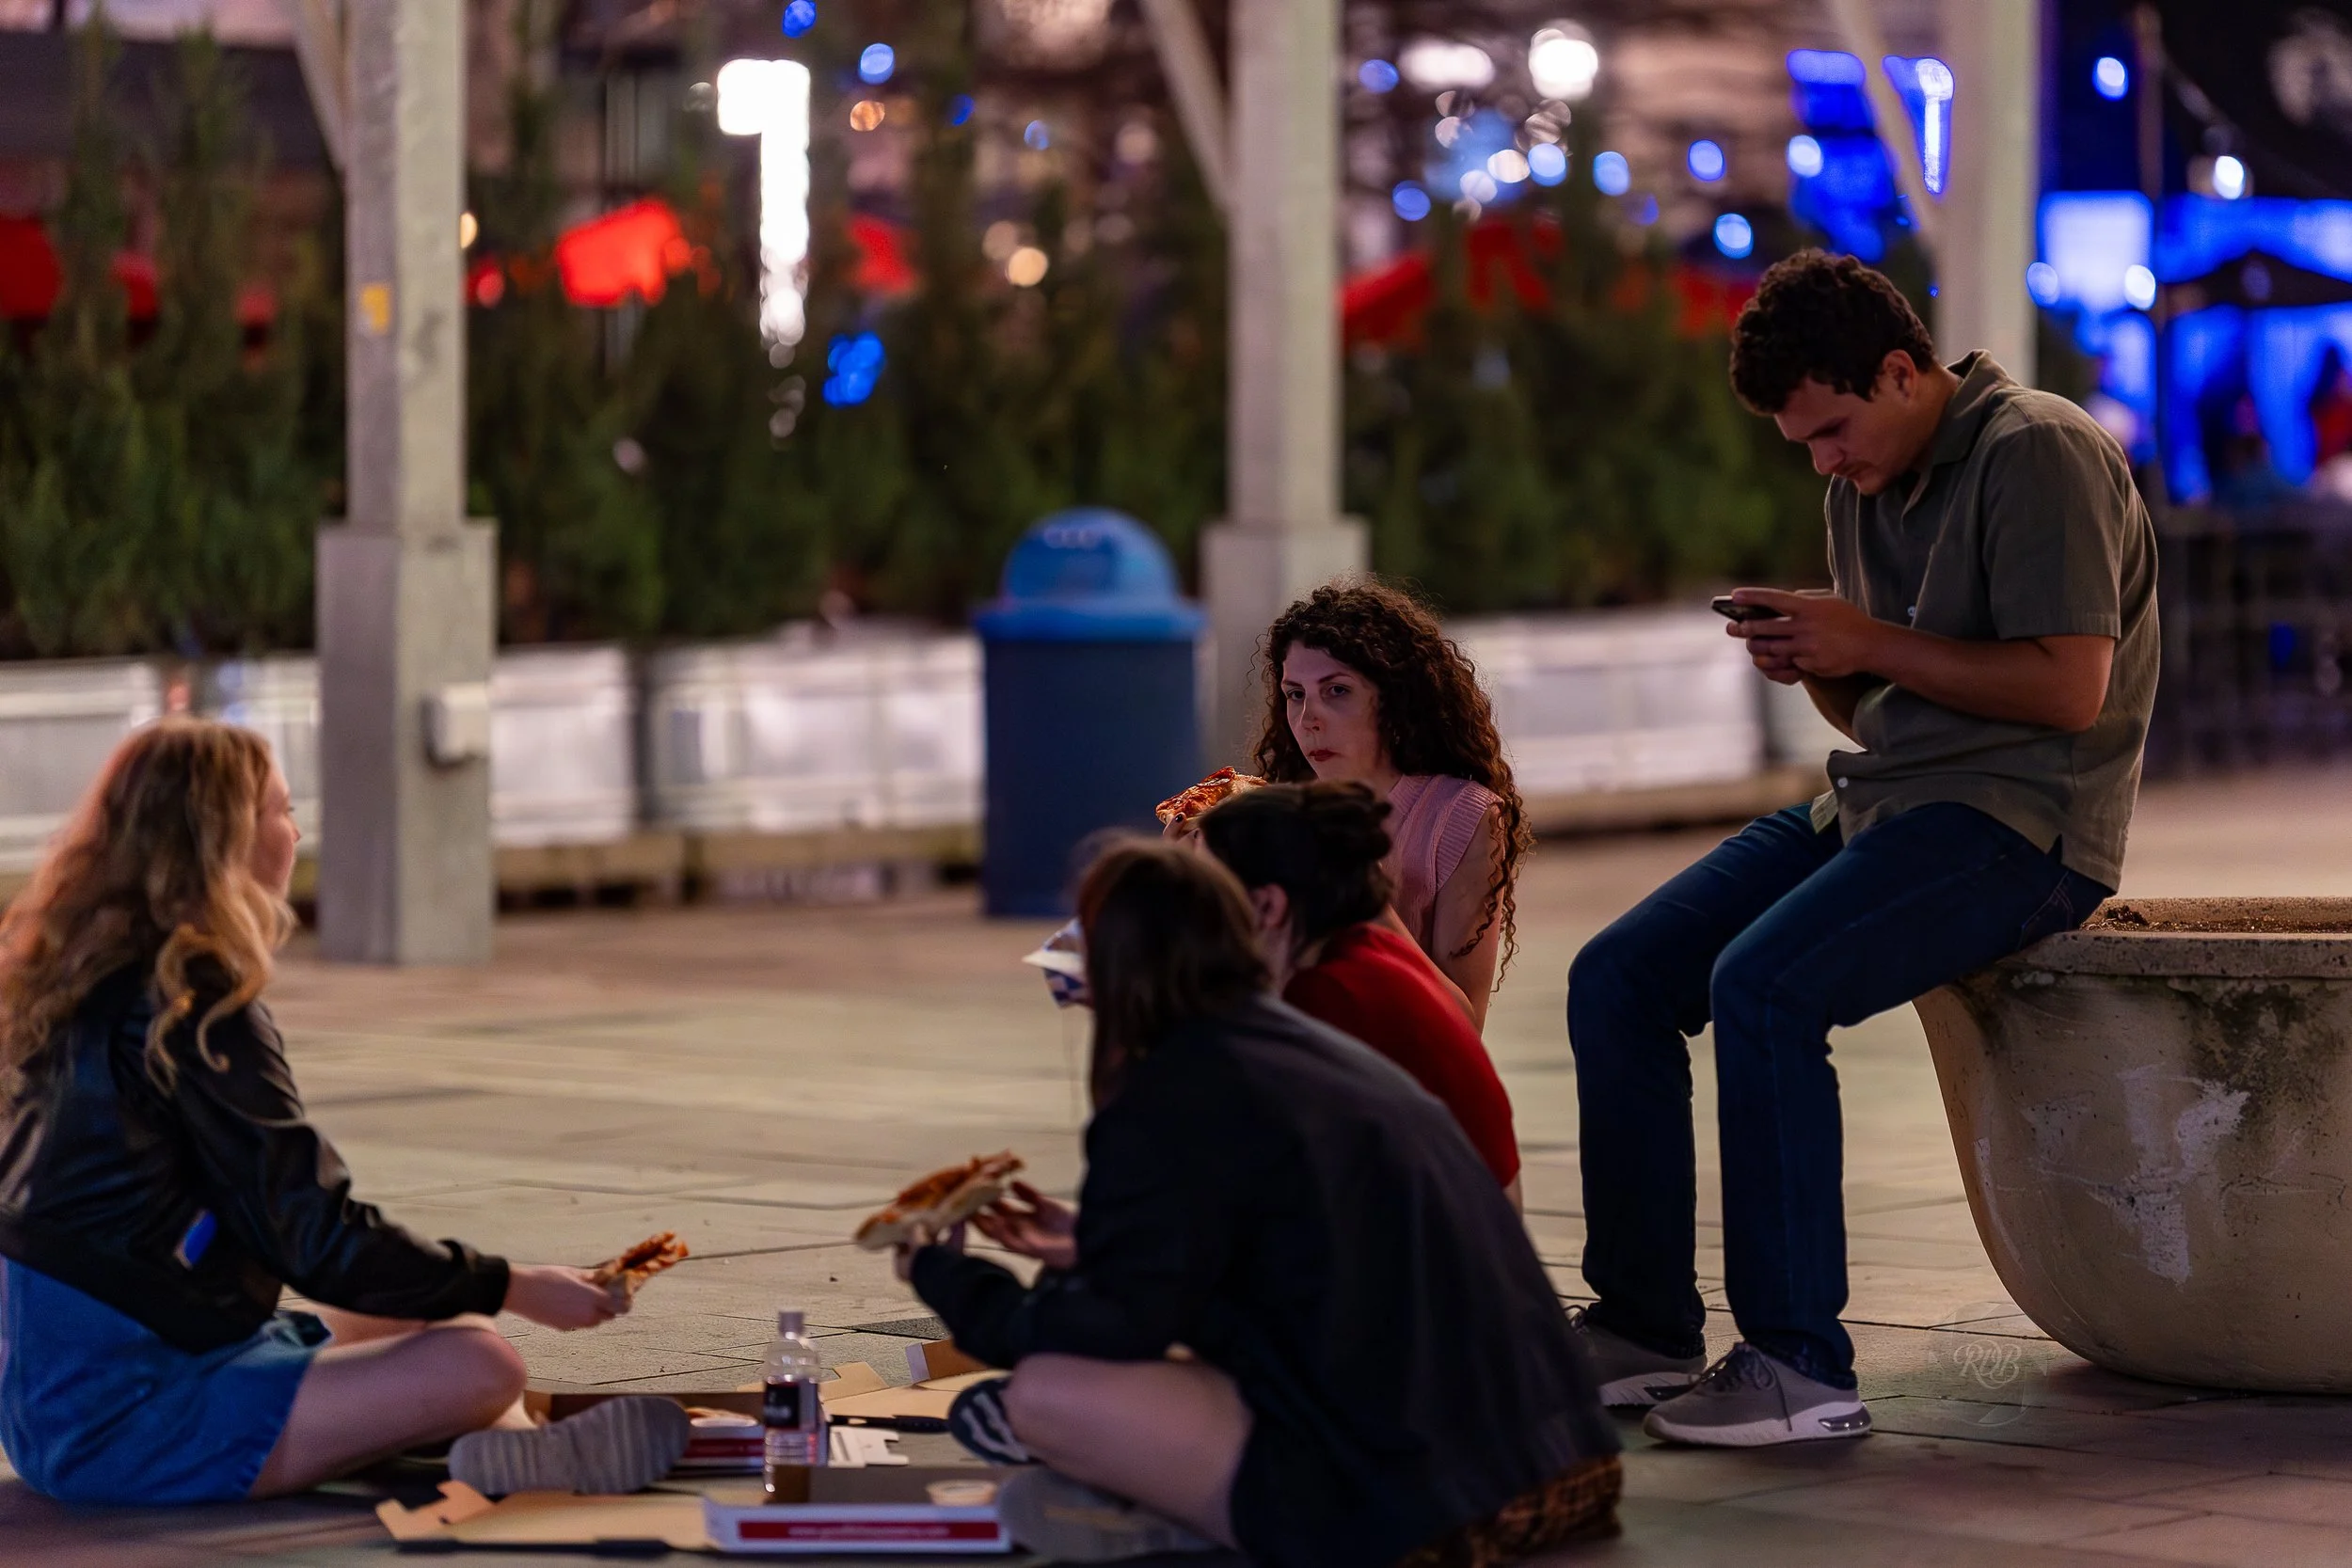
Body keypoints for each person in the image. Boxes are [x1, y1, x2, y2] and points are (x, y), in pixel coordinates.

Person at [1565, 251, 2156, 1447]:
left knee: (1765, 985)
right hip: (1882, 803)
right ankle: (1640, 1326)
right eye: (1803, 443)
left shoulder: (2036, 448)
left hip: (2023, 823)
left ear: (1902, 370)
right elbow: (1881, 711)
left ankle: (1799, 1366)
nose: (1823, 460)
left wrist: (1865, 638)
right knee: (1617, 974)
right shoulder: (1864, 481)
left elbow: (2066, 689)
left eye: (1831, 429)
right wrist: (1824, 663)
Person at [0, 720, 686, 1505]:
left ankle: (513, 1451)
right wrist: (515, 1284)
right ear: (226, 837)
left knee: (416, 1317)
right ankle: (505, 1441)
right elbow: (314, 1232)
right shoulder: (193, 1000)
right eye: (282, 810)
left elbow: (280, 1232)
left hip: (70, 1397)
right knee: (481, 1360)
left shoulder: (84, 980)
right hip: (128, 1421)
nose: (295, 832)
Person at [901, 841, 1616, 1566]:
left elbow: (1113, 1327)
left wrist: (956, 1284)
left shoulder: (1171, 1091)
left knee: (1045, 1394)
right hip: (1568, 1468)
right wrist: (1100, 1244)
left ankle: (1195, 1523)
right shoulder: (1318, 1045)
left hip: (1427, 1518)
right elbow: (1278, 1258)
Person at [1194, 780, 1522, 1201]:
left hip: (1437, 1252)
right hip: (1468, 1239)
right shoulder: (1369, 953)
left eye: (1207, 891)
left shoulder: (1326, 1000)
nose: (1194, 911)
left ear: (1269, 906)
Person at [1251, 580, 1531, 1031]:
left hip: (1400, 1079)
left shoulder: (1462, 815)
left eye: (1337, 691)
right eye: (1295, 694)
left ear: (1393, 699)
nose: (1308, 720)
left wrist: (1368, 899)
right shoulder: (1273, 812)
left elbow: (1464, 1027)